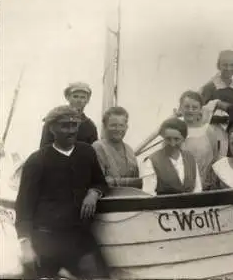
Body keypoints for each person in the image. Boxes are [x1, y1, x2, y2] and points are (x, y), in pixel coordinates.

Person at [15, 105, 109, 279]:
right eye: (65, 126)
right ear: (52, 128)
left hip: (79, 236)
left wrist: (93, 193)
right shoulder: (37, 160)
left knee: (99, 276)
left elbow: (100, 182)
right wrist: (25, 244)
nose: (71, 130)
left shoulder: (86, 152)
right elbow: (23, 205)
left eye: (75, 126)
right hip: (46, 239)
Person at [141, 117, 202, 195]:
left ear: (184, 139)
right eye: (168, 139)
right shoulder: (151, 161)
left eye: (176, 139)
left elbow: (197, 189)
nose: (172, 144)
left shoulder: (190, 157)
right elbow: (148, 194)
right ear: (163, 138)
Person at [178, 90, 222, 190]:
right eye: (186, 106)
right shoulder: (175, 130)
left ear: (200, 110)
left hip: (205, 186)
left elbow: (215, 158)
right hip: (181, 187)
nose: (190, 110)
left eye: (194, 107)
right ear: (180, 108)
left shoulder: (208, 130)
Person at [92, 106, 141, 188]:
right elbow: (99, 182)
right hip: (107, 199)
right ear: (104, 127)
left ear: (126, 127)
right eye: (113, 125)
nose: (118, 129)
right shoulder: (98, 147)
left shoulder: (129, 150)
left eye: (121, 125)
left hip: (130, 198)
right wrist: (136, 182)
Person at [39, 82, 98, 147]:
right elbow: (44, 148)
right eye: (75, 96)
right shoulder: (55, 119)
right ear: (68, 97)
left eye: (83, 97)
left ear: (88, 100)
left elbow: (93, 152)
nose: (79, 100)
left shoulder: (90, 126)